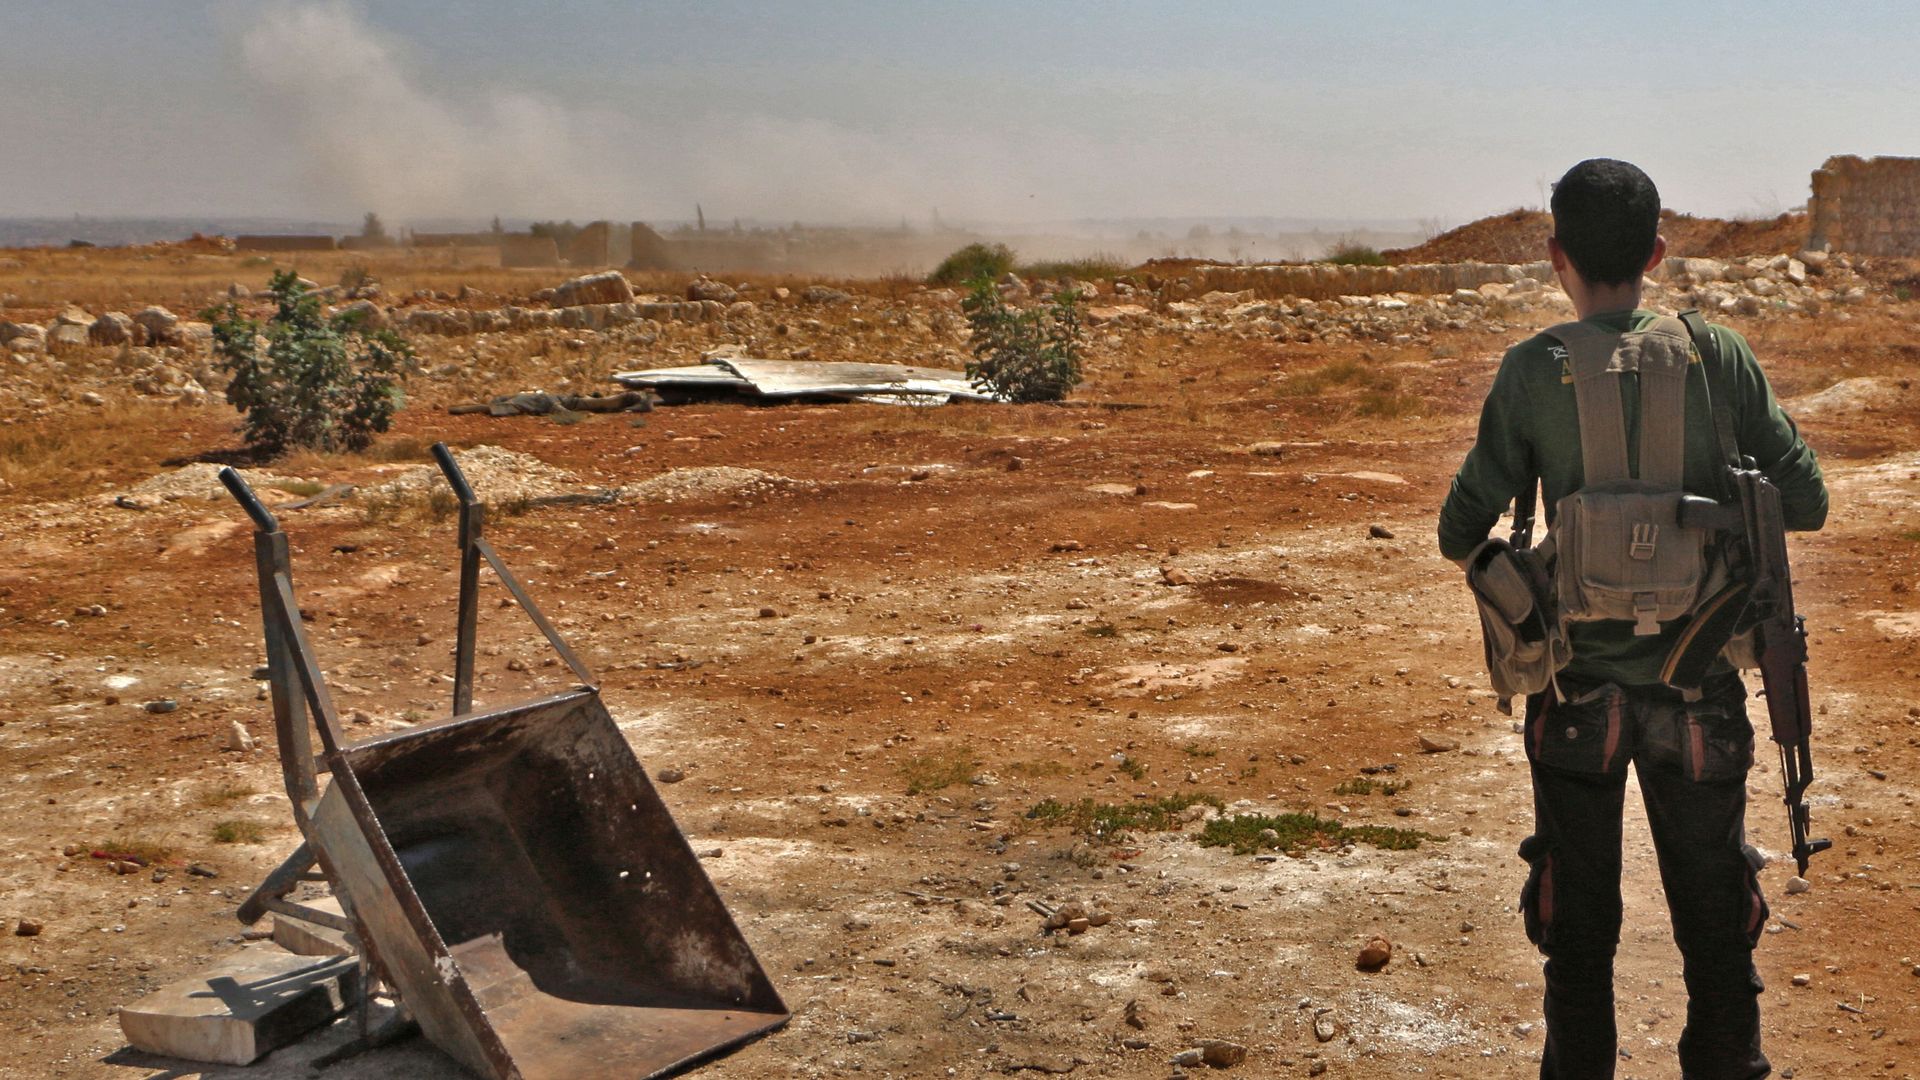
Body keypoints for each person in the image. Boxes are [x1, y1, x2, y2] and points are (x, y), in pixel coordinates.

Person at [1436, 158, 1828, 1079]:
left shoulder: (1531, 370)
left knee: (1576, 943)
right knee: (1718, 937)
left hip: (1576, 700)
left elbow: (1459, 531)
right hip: (1701, 699)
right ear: (1656, 253)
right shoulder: (1719, 356)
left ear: (1556, 256)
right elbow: (1806, 501)